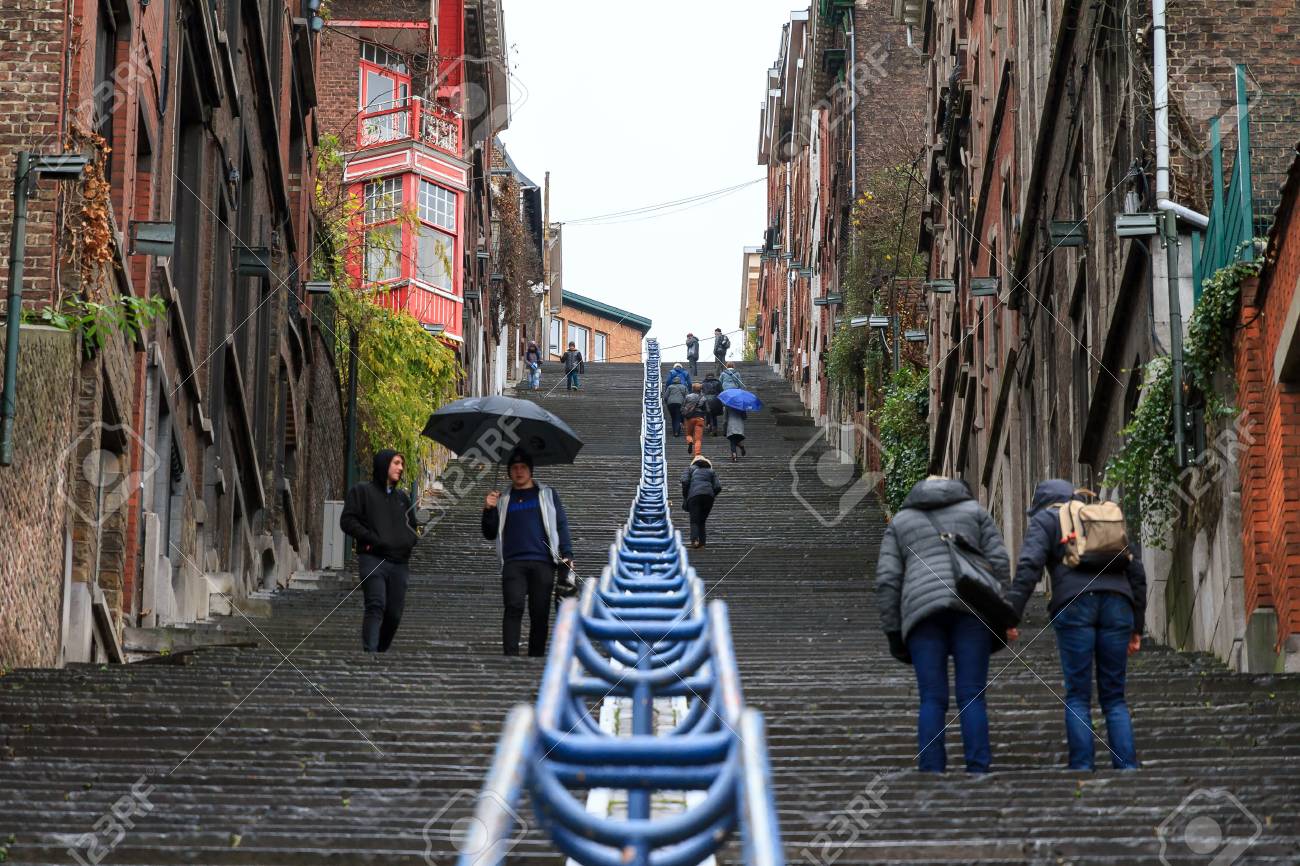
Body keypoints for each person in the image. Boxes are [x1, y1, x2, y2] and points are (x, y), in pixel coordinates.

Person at [1008, 480, 1147, 771]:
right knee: (1114, 698)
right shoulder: (1100, 517)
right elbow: (1136, 571)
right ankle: (1128, 768)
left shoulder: (1047, 519)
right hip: (1118, 605)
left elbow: (1029, 567)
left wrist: (1011, 614)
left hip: (1075, 605)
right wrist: (1137, 627)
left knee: (1078, 695)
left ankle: (1082, 768)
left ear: (1042, 504)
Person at [875, 476, 1012, 773]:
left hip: (923, 613)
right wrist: (1006, 613)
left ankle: (932, 770)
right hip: (972, 608)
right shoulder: (975, 512)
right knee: (972, 694)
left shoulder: (902, 521)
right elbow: (999, 562)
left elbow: (887, 580)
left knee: (932, 698)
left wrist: (894, 631)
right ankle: (978, 768)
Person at [480, 450, 575, 657]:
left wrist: (567, 553)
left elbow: (561, 524)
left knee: (539, 612)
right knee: (513, 606)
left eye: (523, 467)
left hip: (543, 561)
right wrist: (488, 509)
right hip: (513, 562)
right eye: (514, 468)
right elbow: (489, 533)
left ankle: (536, 657)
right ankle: (510, 656)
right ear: (508, 472)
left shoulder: (547, 494)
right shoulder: (503, 499)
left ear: (531, 470)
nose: (519, 471)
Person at [339, 449, 419, 653]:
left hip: (399, 562)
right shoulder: (362, 491)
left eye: (402, 464)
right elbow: (347, 521)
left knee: (394, 613)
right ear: (384, 464)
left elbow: (413, 526)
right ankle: (370, 654)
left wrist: (408, 541)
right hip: (372, 558)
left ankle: (380, 652)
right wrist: (372, 538)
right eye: (396, 463)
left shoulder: (402, 497)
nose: (400, 468)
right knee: (376, 604)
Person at [680, 455, 721, 548]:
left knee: (694, 520)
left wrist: (686, 495)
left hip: (694, 496)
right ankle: (702, 543)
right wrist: (711, 494)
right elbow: (718, 486)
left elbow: (684, 481)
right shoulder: (711, 471)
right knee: (702, 521)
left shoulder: (689, 469)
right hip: (708, 497)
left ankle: (694, 540)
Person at [681, 383, 708, 457]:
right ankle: (697, 454)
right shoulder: (703, 398)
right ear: (700, 389)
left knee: (689, 434)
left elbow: (683, 407)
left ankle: (690, 441)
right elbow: (706, 410)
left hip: (690, 418)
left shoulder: (688, 396)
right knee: (698, 439)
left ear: (692, 389)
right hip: (700, 418)